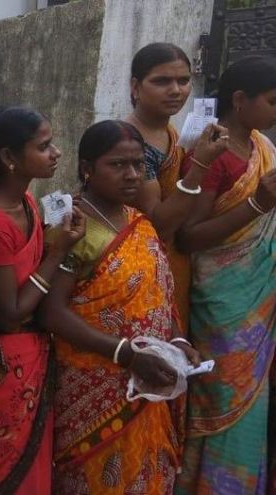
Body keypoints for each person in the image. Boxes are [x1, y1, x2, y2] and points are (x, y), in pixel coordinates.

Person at [40, 120, 200, 494]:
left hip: (152, 380)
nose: (131, 175)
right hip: (93, 387)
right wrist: (126, 354)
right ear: (86, 168)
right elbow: (52, 312)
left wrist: (177, 343)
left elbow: (158, 296)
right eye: (117, 165)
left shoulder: (139, 223)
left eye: (138, 165)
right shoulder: (72, 227)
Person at [0, 107, 86, 494]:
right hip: (4, 368)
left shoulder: (26, 202)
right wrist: (57, 253)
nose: (56, 153)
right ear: (10, 157)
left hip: (33, 359)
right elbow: (8, 314)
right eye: (44, 147)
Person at [175, 56, 276, 495]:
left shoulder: (263, 149)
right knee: (221, 395)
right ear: (240, 100)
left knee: (253, 404)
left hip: (258, 299)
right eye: (273, 101)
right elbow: (189, 237)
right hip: (223, 301)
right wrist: (258, 205)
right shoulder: (212, 154)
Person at [124, 42, 227, 331]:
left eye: (183, 81)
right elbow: (159, 225)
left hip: (175, 263)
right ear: (136, 86)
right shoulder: (132, 145)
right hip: (143, 265)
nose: (176, 90)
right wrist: (202, 166)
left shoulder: (169, 131)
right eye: (162, 81)